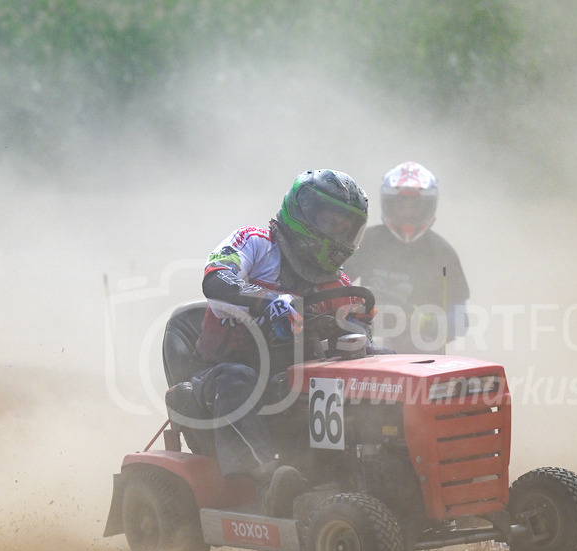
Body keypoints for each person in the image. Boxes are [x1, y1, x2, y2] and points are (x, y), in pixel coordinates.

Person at [174, 169, 370, 518]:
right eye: (330, 221)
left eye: (346, 228)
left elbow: (352, 341)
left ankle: (373, 466)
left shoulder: (337, 281)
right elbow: (217, 280)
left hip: (289, 382)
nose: (338, 235)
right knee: (236, 377)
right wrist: (266, 300)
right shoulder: (254, 242)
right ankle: (265, 483)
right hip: (218, 378)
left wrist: (358, 330)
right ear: (303, 213)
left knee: (377, 362)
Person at [343, 161, 470, 353]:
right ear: (387, 204)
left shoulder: (443, 253)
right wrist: (350, 312)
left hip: (423, 359)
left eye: (415, 206)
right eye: (400, 206)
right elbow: (335, 285)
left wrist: (421, 319)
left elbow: (460, 321)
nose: (408, 213)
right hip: (367, 353)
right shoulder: (366, 240)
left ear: (430, 206)